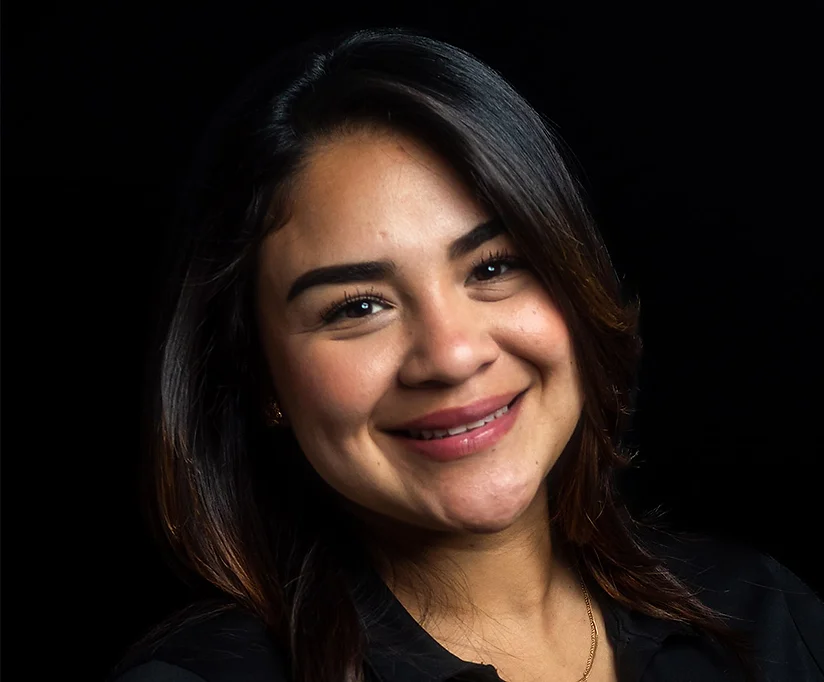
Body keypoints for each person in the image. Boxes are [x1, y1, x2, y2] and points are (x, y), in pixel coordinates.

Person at [108, 27, 824, 682]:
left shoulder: (768, 620)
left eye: (492, 267)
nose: (451, 355)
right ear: (259, 374)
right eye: (358, 307)